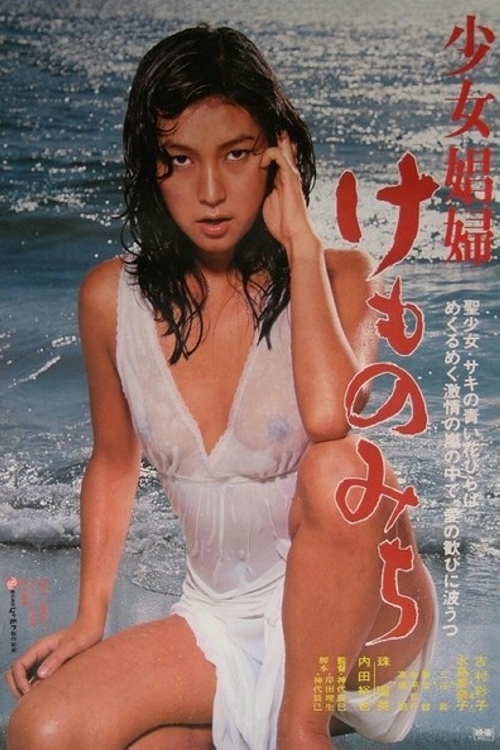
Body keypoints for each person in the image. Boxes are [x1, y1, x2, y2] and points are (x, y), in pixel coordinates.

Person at [5, 24, 437, 750]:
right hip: (221, 617)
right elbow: (113, 461)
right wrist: (88, 619)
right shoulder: (112, 300)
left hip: (362, 626)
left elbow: (331, 421)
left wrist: (301, 241)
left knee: (340, 469)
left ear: (277, 154)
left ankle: (301, 729)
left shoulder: (344, 276)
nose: (209, 193)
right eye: (180, 160)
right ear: (152, 166)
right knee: (45, 731)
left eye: (236, 155)